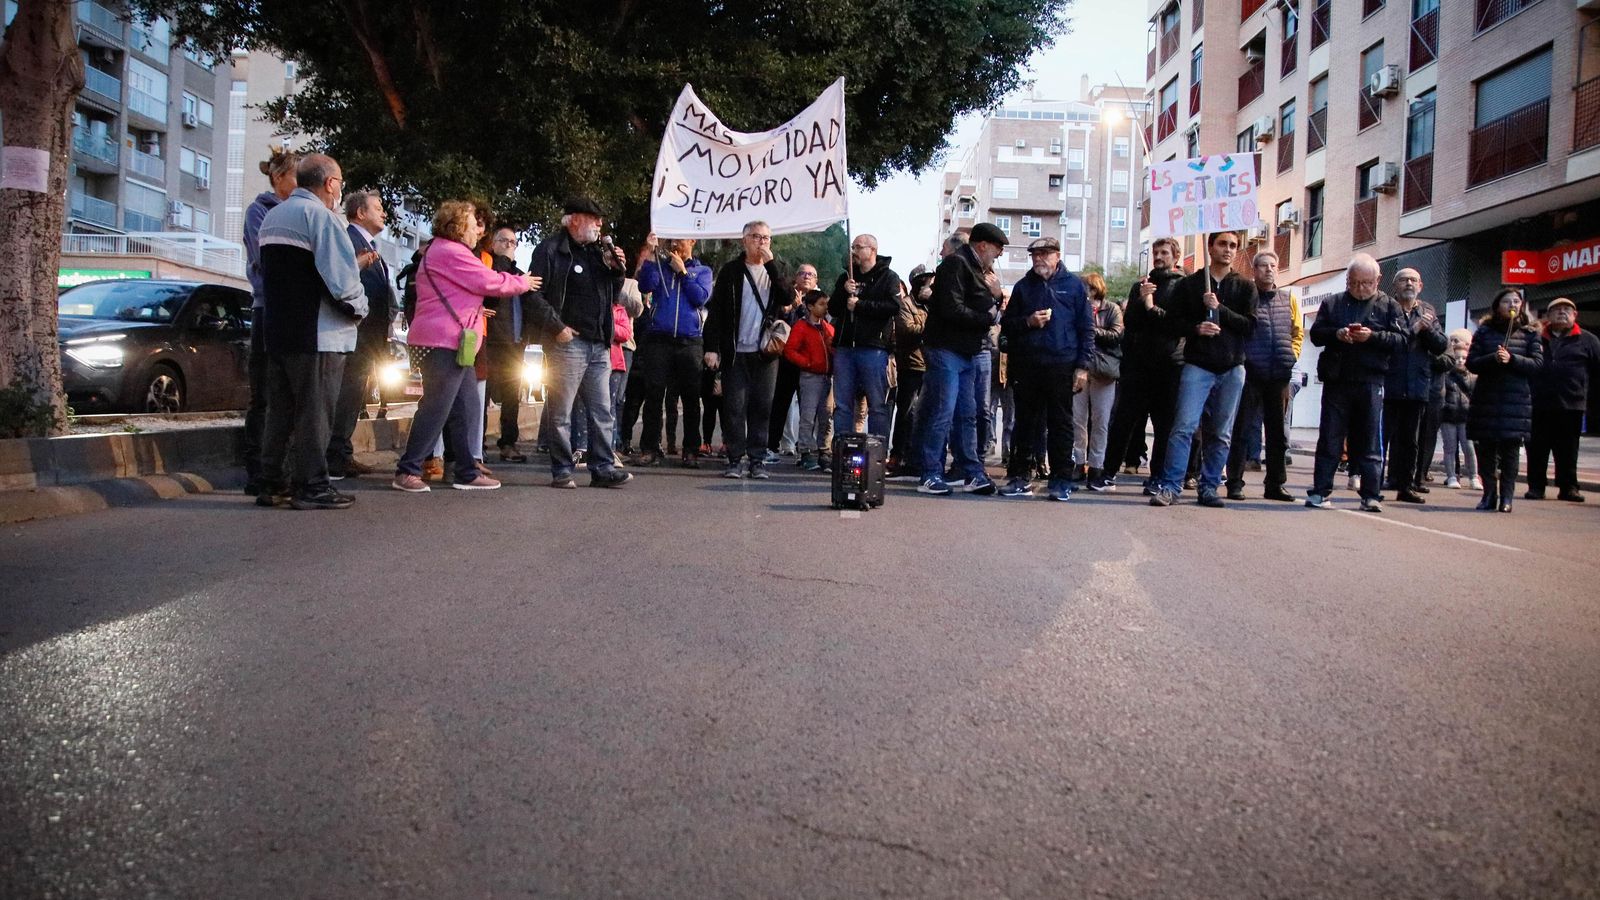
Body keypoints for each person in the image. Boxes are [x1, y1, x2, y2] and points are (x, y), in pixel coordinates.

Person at [390, 202, 535, 493]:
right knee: (437, 407)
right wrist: (522, 282)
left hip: (450, 340)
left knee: (465, 407)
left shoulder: (440, 251)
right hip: (444, 340)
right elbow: (489, 281)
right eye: (471, 226)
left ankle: (465, 470)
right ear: (457, 227)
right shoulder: (451, 251)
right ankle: (408, 469)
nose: (477, 232)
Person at [254, 153, 368, 509]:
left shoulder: (273, 217)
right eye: (340, 182)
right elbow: (341, 279)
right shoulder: (321, 218)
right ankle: (313, 486)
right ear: (330, 183)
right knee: (316, 413)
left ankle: (272, 482)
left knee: (281, 411)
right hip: (319, 333)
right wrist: (360, 308)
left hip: (280, 331)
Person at [524, 197, 633, 489]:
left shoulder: (598, 253)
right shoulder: (550, 250)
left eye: (600, 220)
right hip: (568, 343)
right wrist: (557, 327)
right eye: (593, 218)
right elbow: (532, 294)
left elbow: (611, 296)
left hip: (598, 344)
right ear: (573, 220)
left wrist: (616, 270)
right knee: (561, 410)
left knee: (602, 410)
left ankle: (603, 468)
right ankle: (562, 469)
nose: (599, 224)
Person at [1149, 231, 1257, 509]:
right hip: (1198, 365)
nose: (1228, 250)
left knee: (1221, 432)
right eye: (1223, 244)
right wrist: (1197, 327)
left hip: (1232, 367)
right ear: (1210, 247)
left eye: (1233, 245)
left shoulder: (1245, 286)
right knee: (1183, 427)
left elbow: (1250, 326)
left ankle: (1209, 487)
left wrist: (1219, 309)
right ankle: (1171, 486)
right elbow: (1172, 322)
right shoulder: (1191, 284)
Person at [1304, 254, 1405, 512]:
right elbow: (1316, 335)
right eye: (1354, 282)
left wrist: (1371, 337)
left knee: (1370, 438)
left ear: (1378, 280)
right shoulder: (1333, 302)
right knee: (1330, 437)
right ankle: (1320, 491)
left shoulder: (1389, 306)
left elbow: (1402, 341)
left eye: (1366, 283)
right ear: (1347, 280)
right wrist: (1337, 334)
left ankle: (1371, 494)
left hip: (1371, 379)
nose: (1360, 289)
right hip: (1338, 379)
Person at [997, 237, 1093, 501]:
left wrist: (1082, 367)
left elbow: (1087, 330)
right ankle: (1019, 477)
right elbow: (1007, 326)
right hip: (1027, 365)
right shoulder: (1023, 287)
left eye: (1044, 254)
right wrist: (1028, 322)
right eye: (1035, 254)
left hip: (1062, 365)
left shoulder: (1074, 286)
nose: (1039, 259)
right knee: (1025, 423)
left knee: (1061, 424)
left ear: (1057, 256)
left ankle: (1061, 479)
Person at [916, 223, 1007, 496]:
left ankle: (971, 472)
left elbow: (980, 305)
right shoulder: (956, 265)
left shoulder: (977, 269)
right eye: (997, 249)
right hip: (946, 349)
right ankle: (930, 473)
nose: (999, 255)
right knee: (943, 411)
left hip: (965, 350)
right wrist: (988, 315)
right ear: (982, 246)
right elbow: (952, 307)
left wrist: (996, 298)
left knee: (967, 414)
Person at [704, 220, 790, 479]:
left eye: (766, 238)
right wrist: (712, 348)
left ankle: (757, 460)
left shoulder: (779, 269)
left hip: (765, 352)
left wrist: (772, 265)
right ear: (744, 240)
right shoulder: (731, 271)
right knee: (734, 406)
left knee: (762, 406)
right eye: (755, 237)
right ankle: (734, 459)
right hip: (735, 351)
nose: (761, 242)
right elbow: (715, 313)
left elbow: (787, 298)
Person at [1105, 237, 1186, 495]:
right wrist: (1141, 301)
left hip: (1169, 366)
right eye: (1156, 252)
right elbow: (1130, 322)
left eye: (1164, 252)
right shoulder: (1140, 286)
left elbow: (1175, 325)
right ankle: (1107, 472)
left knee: (1164, 426)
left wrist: (1152, 307)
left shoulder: (1183, 286)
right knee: (1123, 421)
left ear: (1175, 256)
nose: (1159, 257)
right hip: (1139, 367)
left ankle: (1158, 476)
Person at [327, 190, 397, 480]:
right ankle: (335, 456)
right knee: (346, 396)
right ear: (360, 213)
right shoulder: (348, 242)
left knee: (355, 398)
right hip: (355, 335)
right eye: (377, 208)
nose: (383, 213)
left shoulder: (373, 250)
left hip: (369, 339)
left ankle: (343, 452)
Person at [241, 148, 299, 496]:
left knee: (286, 394)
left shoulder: (302, 211)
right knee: (263, 394)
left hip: (294, 312)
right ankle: (257, 471)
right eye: (296, 176)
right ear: (278, 178)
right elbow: (266, 263)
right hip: (268, 308)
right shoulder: (259, 211)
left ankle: (281, 470)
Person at [1224, 249, 1301, 502]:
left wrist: (1292, 356)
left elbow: (1296, 332)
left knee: (1277, 434)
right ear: (1254, 271)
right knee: (1242, 429)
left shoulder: (1287, 298)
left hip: (1279, 373)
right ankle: (1234, 482)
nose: (1269, 270)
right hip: (1251, 373)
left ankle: (1275, 484)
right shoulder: (1247, 296)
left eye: (1273, 265)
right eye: (1263, 266)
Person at [632, 238, 712, 466]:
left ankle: (691, 450)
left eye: (681, 239)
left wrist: (684, 272)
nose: (676, 243)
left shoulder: (702, 270)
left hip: (690, 340)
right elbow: (645, 285)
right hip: (659, 338)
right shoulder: (659, 266)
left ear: (692, 241)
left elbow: (701, 298)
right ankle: (650, 448)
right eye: (673, 239)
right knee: (654, 393)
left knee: (690, 397)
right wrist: (649, 252)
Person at [1468, 288, 1544, 512]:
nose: (1512, 305)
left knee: (1511, 451)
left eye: (1516, 301)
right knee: (1486, 450)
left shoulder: (1530, 334)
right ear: (1497, 306)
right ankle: (1489, 493)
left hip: (1516, 401)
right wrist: (1493, 358)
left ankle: (1507, 498)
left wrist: (1513, 359)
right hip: (1487, 399)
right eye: (1507, 301)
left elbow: (1537, 365)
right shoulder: (1484, 332)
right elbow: (1472, 362)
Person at [1379, 268, 1448, 504]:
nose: (1409, 283)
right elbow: (1386, 342)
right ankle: (1374, 483)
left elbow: (1441, 345)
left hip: (1418, 385)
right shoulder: (1386, 308)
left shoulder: (1428, 311)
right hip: (1389, 382)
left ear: (1421, 285)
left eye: (1413, 280)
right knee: (1382, 437)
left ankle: (1407, 486)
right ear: (1394, 285)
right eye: (1403, 280)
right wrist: (1413, 330)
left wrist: (1427, 330)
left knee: (1411, 440)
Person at [1526, 297, 1600, 502]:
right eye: (1557, 309)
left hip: (1572, 405)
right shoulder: (1535, 338)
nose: (1562, 312)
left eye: (1567, 309)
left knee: (1568, 450)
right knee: (1537, 448)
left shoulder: (1589, 340)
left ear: (1575, 315)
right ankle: (1536, 486)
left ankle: (1568, 487)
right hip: (1538, 404)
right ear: (1548, 316)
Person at [830, 235, 899, 440]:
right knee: (842, 404)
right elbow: (833, 309)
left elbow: (894, 307)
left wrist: (861, 305)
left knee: (877, 403)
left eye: (858, 247)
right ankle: (842, 450)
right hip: (845, 347)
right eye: (853, 248)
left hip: (873, 347)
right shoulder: (846, 277)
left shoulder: (888, 277)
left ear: (872, 250)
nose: (854, 252)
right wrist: (843, 293)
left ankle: (877, 451)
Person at [480, 227, 533, 463]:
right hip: (492, 340)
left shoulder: (521, 274)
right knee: (484, 393)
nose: (509, 245)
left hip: (515, 342)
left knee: (512, 396)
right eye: (504, 241)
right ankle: (477, 443)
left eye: (513, 241)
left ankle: (509, 442)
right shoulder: (490, 267)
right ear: (492, 243)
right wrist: (502, 261)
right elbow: (494, 287)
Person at [1074, 271, 1123, 492]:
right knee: (1078, 419)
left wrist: (1091, 329)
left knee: (1101, 421)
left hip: (1104, 371)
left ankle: (1096, 466)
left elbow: (1117, 334)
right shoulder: (1077, 309)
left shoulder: (1111, 309)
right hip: (1080, 369)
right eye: (1084, 287)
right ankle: (1078, 462)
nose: (1087, 292)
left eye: (1090, 288)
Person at [768, 263, 819, 461]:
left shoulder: (821, 302)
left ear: (816, 281)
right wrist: (789, 309)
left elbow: (819, 326)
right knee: (779, 405)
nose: (806, 277)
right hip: (786, 360)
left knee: (809, 409)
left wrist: (801, 309)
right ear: (795, 278)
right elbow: (779, 325)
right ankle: (771, 447)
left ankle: (806, 451)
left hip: (809, 363)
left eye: (811, 274)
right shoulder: (784, 297)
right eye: (802, 273)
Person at [887, 267, 932, 480]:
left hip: (931, 365)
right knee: (906, 413)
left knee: (925, 415)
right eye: (927, 281)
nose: (931, 285)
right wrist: (931, 326)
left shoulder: (933, 304)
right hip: (911, 365)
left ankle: (918, 458)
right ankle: (898, 456)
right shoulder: (906, 304)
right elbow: (906, 329)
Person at [783, 289, 835, 471]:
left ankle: (824, 450)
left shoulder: (827, 328)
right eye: (821, 304)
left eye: (826, 304)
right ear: (810, 306)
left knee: (826, 415)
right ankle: (806, 451)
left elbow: (834, 348)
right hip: (811, 375)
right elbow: (790, 350)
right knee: (808, 414)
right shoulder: (802, 327)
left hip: (827, 376)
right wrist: (807, 363)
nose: (825, 308)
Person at [1439, 329, 1478, 490]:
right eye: (1457, 358)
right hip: (1448, 416)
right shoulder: (1446, 375)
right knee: (1450, 448)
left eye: (1463, 358)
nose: (1460, 361)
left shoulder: (1473, 375)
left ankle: (1474, 477)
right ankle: (1452, 476)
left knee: (1469, 448)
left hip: (1466, 417)